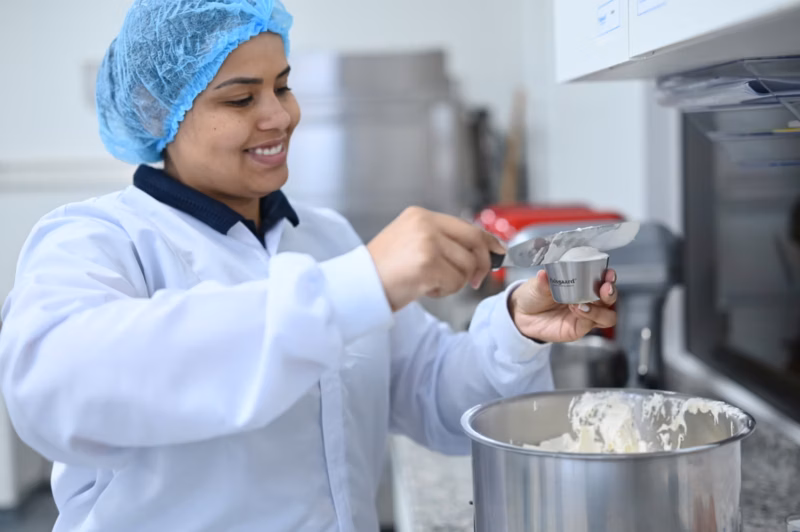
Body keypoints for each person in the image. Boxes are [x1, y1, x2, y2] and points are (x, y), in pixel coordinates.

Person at [0, 1, 617, 530]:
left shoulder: (325, 238)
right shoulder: (98, 240)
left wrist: (516, 329)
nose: (280, 116)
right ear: (160, 113)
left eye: (283, 86)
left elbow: (431, 394)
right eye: (241, 97)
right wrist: (360, 283)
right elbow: (57, 390)